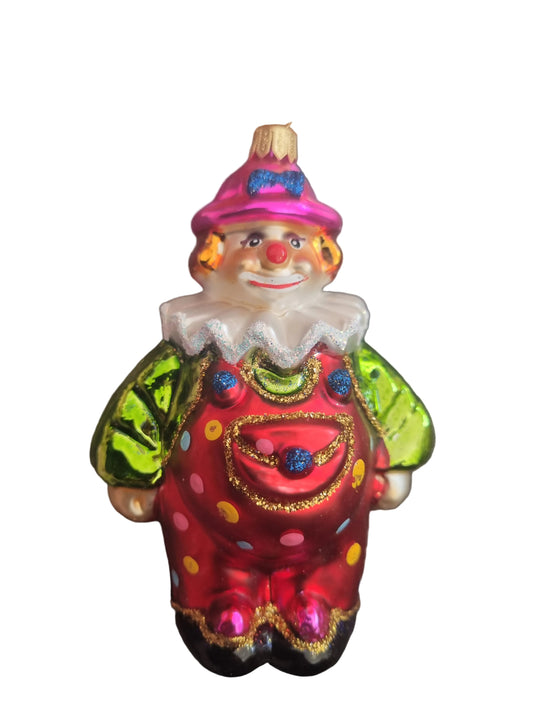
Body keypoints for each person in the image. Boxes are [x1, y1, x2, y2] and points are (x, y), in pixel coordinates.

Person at [90, 123, 434, 676]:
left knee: (329, 563)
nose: (277, 257)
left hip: (332, 530)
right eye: (253, 240)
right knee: (212, 562)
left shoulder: (341, 343)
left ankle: (315, 599)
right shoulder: (195, 348)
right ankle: (224, 602)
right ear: (213, 253)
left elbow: (389, 401)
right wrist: (131, 469)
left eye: (295, 242)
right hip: (210, 527)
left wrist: (399, 455)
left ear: (323, 254)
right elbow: (147, 406)